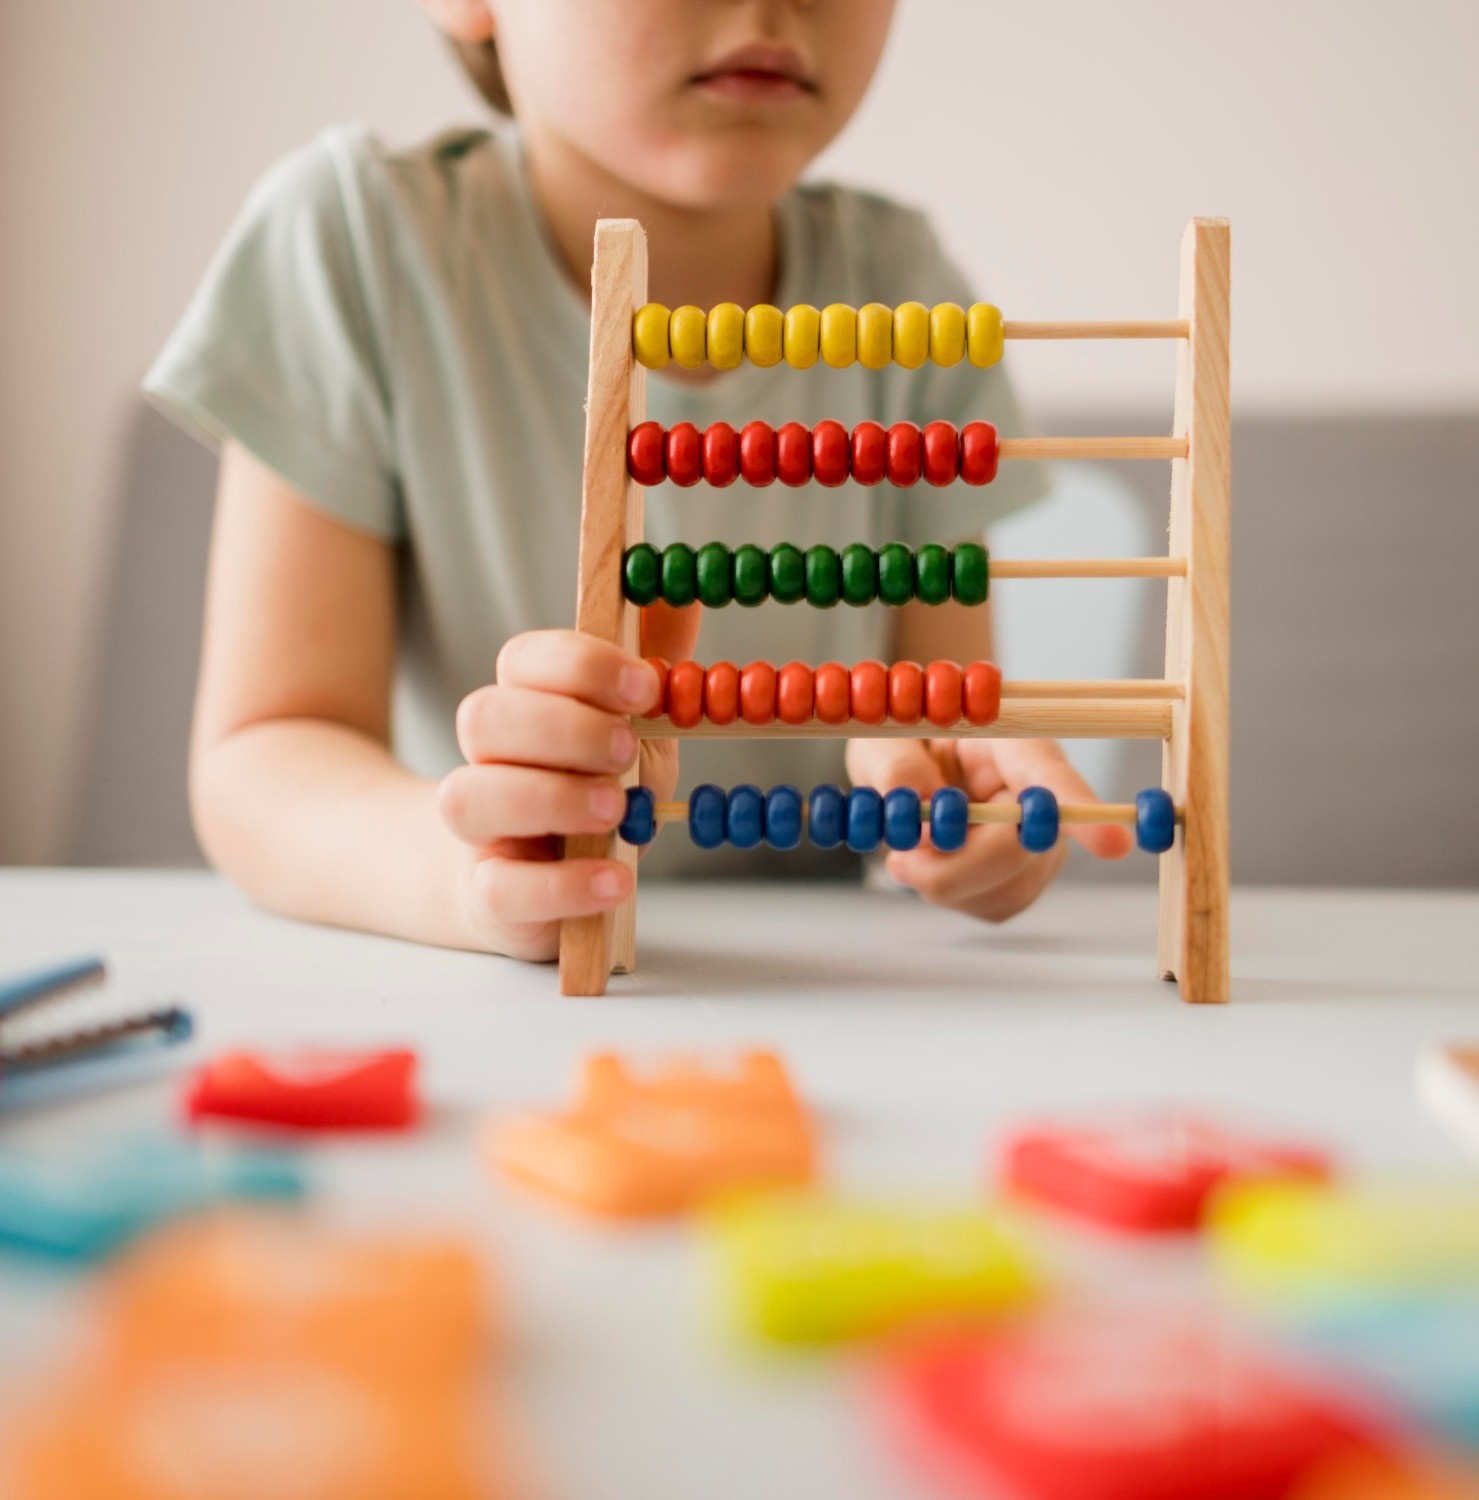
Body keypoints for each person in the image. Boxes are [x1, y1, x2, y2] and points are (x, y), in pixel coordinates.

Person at [144, 0, 1130, 966]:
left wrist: (970, 805)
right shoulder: (357, 242)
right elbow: (264, 756)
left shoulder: (910, 300)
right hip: (476, 993)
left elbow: (942, 717)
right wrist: (472, 876)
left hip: (820, 1003)